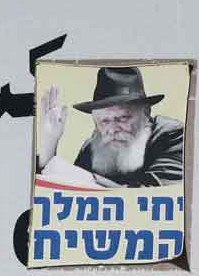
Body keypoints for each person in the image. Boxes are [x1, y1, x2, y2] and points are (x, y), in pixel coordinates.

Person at [36, 66, 185, 189]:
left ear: (146, 112)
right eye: (104, 121)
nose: (112, 129)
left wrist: (88, 180)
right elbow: (69, 194)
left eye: (122, 118)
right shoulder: (92, 148)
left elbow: (155, 196)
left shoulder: (172, 134)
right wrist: (48, 148)